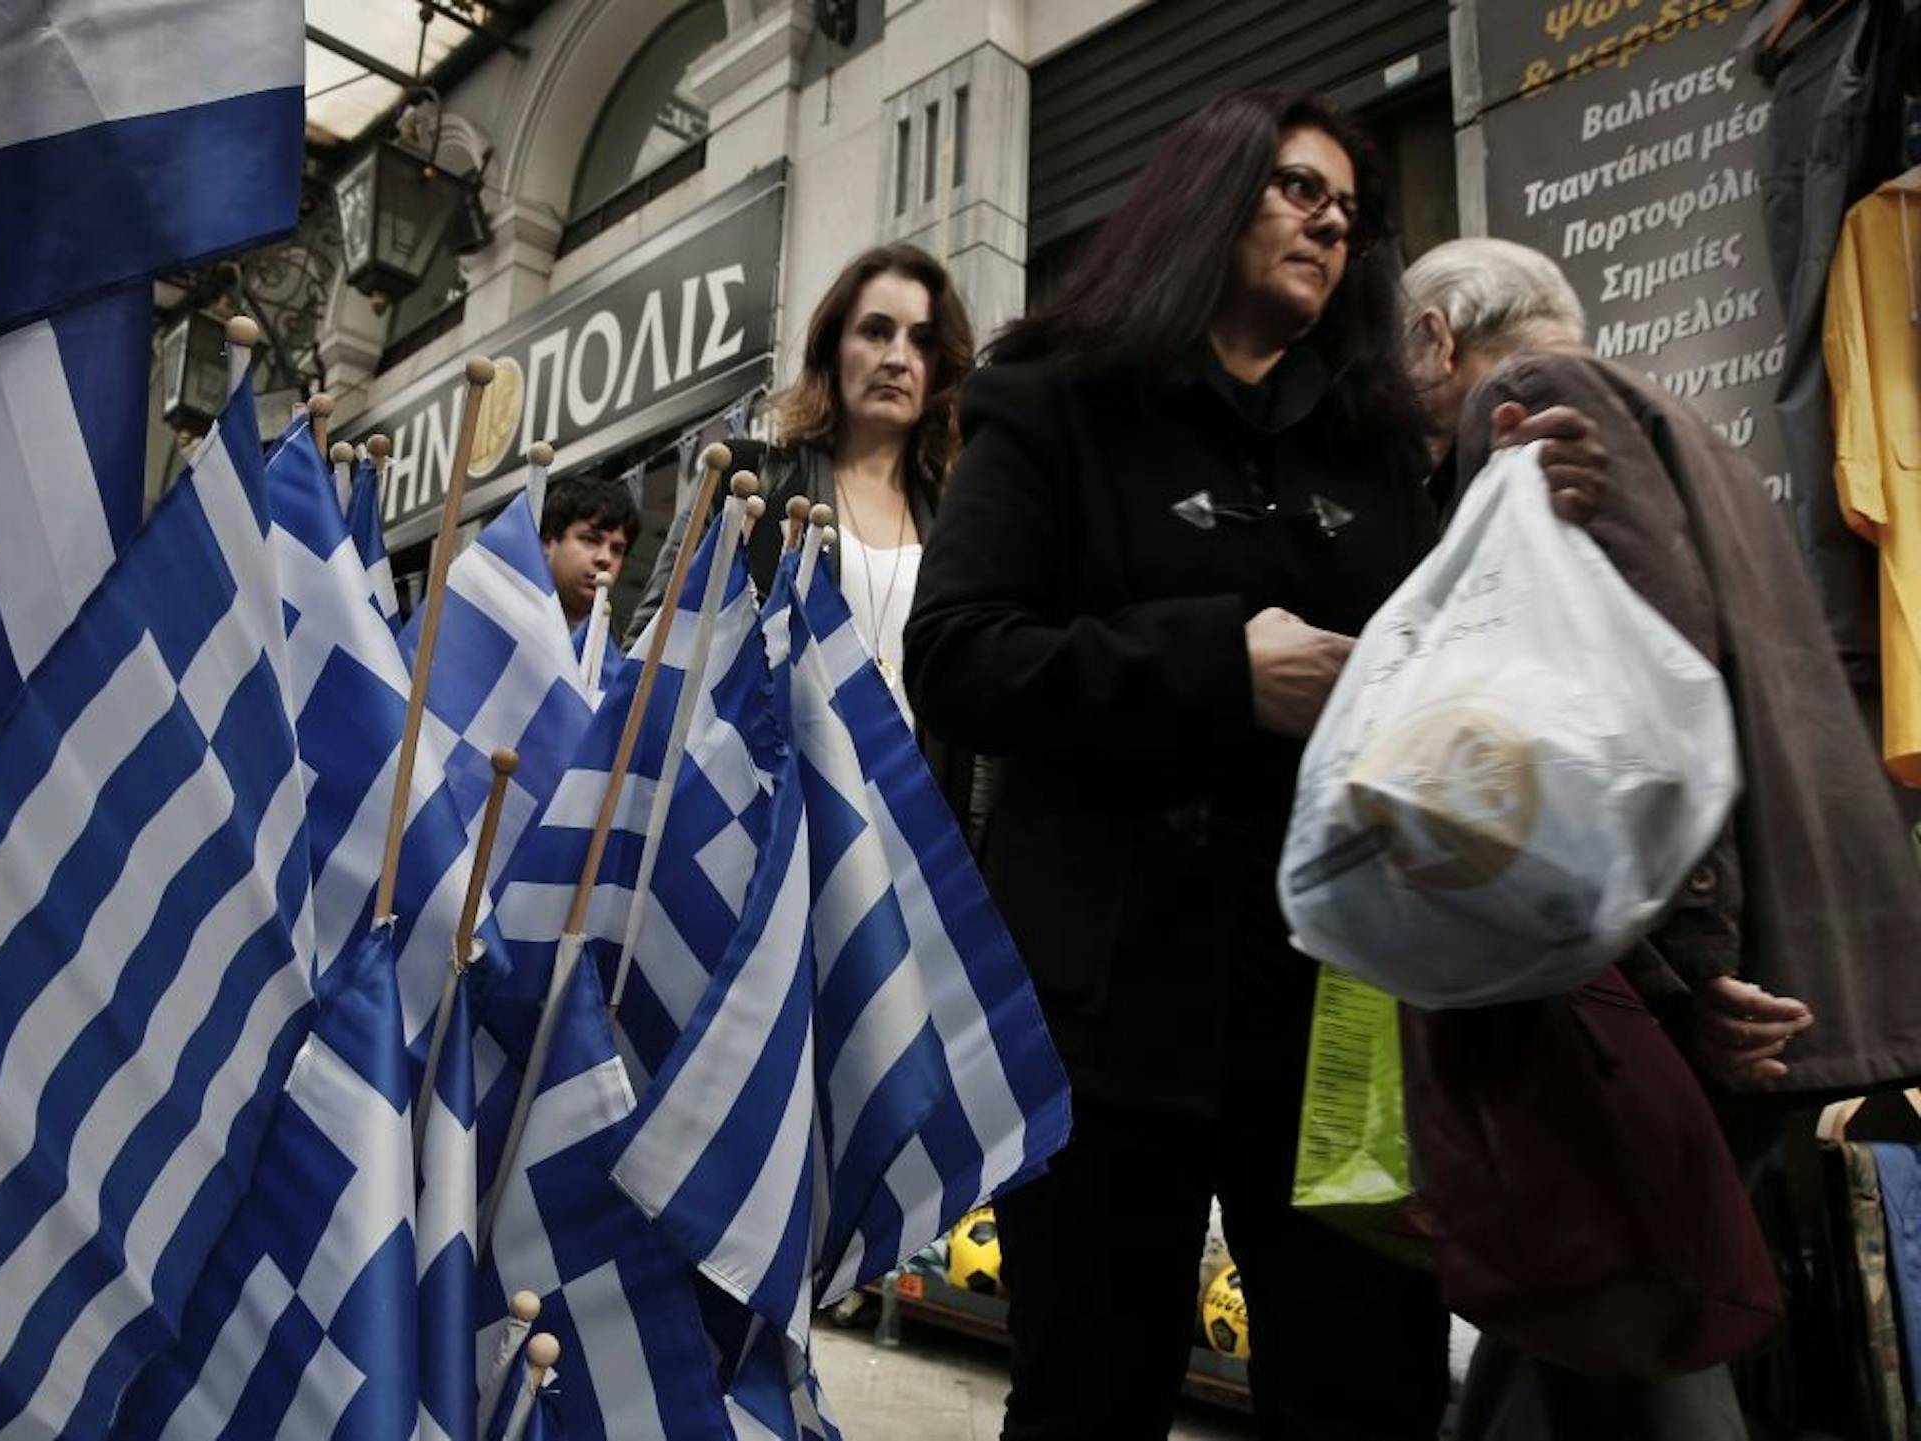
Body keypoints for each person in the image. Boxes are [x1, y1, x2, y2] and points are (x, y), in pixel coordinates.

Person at [902, 90, 1605, 1441]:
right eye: (1298, 187)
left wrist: (1517, 521)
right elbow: (963, 656)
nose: (1333, 218)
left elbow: (1455, 693)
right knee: (1089, 1386)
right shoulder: (1055, 400)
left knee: (1368, 1386)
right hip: (1107, 1005)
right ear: (1208, 196)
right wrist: (1221, 666)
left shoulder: (1381, 450)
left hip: (1335, 1013)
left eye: (1350, 205)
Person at [1402, 236, 1921, 1441]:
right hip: (1747, 976)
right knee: (1578, 1348)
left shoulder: (1528, 404)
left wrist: (1688, 975)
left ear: (1436, 337)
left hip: (1662, 1005)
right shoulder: (1694, 429)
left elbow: (1641, 701)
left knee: (1632, 1335)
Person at [628, 244, 974, 732]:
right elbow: (648, 654)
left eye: (922, 341)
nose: (898, 358)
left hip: (912, 801)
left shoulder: (958, 525)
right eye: (875, 332)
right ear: (833, 347)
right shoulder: (744, 482)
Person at [539, 473, 639, 632]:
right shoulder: (499, 618)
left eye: (617, 549)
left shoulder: (613, 651)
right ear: (548, 543)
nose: (606, 559)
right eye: (590, 540)